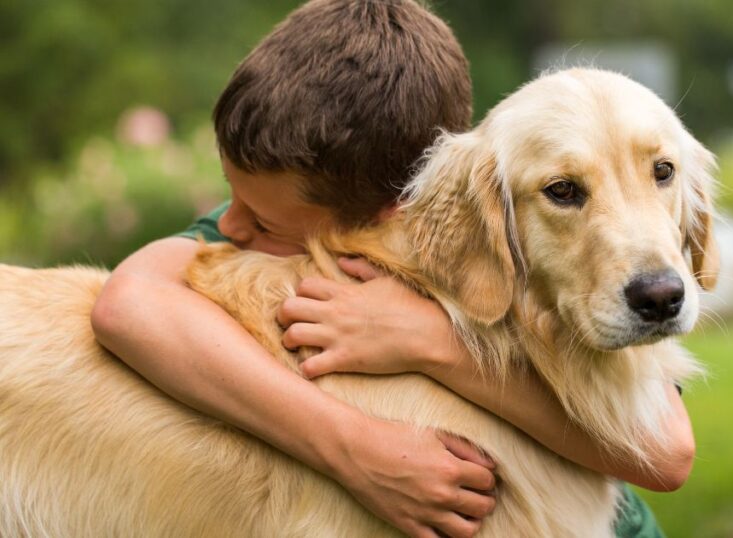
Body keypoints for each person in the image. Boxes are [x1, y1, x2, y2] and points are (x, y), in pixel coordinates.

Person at [90, 1, 694, 537]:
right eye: (232, 196)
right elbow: (126, 304)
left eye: (265, 220)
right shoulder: (281, 208)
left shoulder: (472, 204)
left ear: (386, 214)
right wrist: (354, 447)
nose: (229, 226)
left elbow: (668, 454)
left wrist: (431, 344)